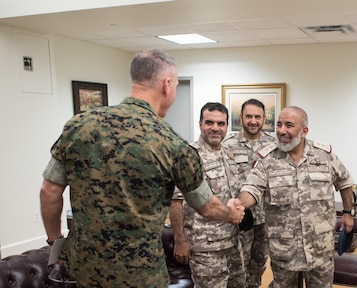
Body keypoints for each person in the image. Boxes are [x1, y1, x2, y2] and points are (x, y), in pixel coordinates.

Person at [39, 49, 244, 288]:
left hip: (86, 266)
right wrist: (232, 214)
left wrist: (54, 240)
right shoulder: (172, 144)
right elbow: (207, 207)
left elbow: (49, 191)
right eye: (176, 86)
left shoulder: (78, 125)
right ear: (167, 85)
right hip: (141, 272)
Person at [236, 105, 355, 288]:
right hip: (284, 248)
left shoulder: (323, 155)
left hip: (319, 247)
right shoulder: (267, 158)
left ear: (304, 131)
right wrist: (239, 204)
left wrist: (347, 212)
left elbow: (345, 182)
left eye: (289, 125)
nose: (282, 130)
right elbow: (251, 188)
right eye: (279, 124)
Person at [169, 102, 247, 288]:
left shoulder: (228, 154)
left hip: (232, 242)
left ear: (227, 126)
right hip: (206, 247)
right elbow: (176, 202)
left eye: (221, 124)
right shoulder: (189, 156)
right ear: (200, 124)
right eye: (209, 122)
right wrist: (180, 241)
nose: (215, 128)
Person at [223, 98, 275, 288]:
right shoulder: (227, 144)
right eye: (249, 116)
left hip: (266, 217)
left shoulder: (274, 146)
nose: (253, 121)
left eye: (257, 117)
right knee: (238, 264)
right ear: (241, 118)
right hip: (241, 216)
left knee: (259, 263)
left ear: (264, 119)